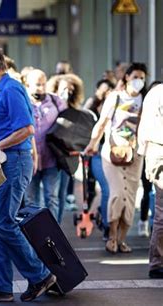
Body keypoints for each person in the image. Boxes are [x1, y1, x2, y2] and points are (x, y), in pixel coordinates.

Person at [0, 46, 56, 303]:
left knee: (3, 223)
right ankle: (1, 286)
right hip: (6, 164)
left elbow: (28, 129)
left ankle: (40, 275)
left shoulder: (11, 89)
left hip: (14, 162)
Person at [84, 63, 147, 254]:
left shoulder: (144, 100)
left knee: (130, 197)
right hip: (112, 153)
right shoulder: (115, 97)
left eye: (143, 78)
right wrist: (92, 144)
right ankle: (112, 236)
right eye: (136, 76)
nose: (139, 81)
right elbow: (102, 123)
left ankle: (122, 240)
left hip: (135, 155)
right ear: (127, 77)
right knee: (117, 194)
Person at [24, 69, 67, 220]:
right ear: (27, 84)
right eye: (37, 84)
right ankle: (35, 237)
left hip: (52, 159)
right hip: (29, 160)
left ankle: (55, 236)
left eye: (43, 84)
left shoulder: (56, 102)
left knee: (52, 198)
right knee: (31, 201)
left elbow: (68, 124)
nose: (40, 88)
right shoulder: (23, 102)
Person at [47, 73, 86, 221]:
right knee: (51, 194)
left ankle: (58, 225)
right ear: (56, 88)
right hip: (50, 154)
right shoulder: (50, 105)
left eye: (70, 90)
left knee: (61, 192)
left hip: (66, 156)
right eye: (64, 89)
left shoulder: (76, 110)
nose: (67, 93)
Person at [84, 79, 115, 240]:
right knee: (106, 189)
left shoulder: (118, 105)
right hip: (96, 151)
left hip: (113, 152)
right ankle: (107, 226)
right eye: (106, 90)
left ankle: (108, 223)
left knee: (111, 190)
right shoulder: (92, 105)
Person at [137, 83, 163, 278]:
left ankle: (157, 262)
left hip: (154, 153)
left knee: (161, 212)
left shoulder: (154, 93)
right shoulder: (158, 93)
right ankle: (157, 262)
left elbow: (142, 128)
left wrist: (143, 156)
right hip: (159, 151)